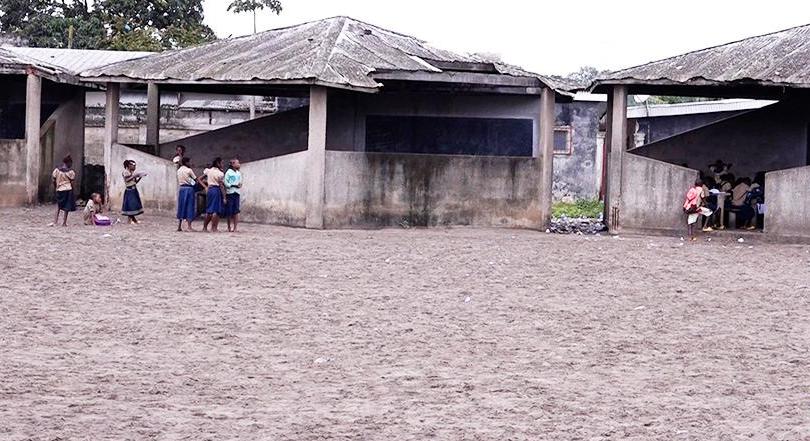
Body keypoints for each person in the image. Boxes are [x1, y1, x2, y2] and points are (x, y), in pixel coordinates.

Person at [177, 157, 205, 232]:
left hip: (182, 189)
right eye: (189, 162)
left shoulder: (179, 170)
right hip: (189, 189)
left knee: (181, 206)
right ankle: (189, 226)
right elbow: (196, 180)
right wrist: (204, 185)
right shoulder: (189, 170)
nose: (190, 164)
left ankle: (179, 226)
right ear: (186, 162)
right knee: (190, 206)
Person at [202, 157, 227, 232]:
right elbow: (221, 186)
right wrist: (224, 197)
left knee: (209, 209)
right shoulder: (220, 174)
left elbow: (200, 179)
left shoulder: (208, 171)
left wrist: (205, 187)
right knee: (215, 210)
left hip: (210, 189)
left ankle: (205, 227)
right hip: (216, 190)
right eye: (221, 163)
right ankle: (214, 228)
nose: (223, 165)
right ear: (218, 163)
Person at [52, 155, 76, 226]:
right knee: (67, 207)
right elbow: (72, 182)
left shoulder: (57, 170)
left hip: (59, 189)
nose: (71, 165)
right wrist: (73, 190)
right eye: (70, 163)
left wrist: (56, 187)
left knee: (58, 206)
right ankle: (64, 222)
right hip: (68, 189)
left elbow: (53, 179)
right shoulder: (71, 172)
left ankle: (55, 222)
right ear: (68, 163)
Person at [121, 160, 146, 224]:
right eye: (133, 165)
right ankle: (133, 220)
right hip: (129, 190)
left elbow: (135, 182)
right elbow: (127, 180)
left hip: (134, 189)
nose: (134, 167)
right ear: (129, 165)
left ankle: (130, 220)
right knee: (131, 205)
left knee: (132, 206)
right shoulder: (125, 172)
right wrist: (134, 176)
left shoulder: (132, 172)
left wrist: (140, 177)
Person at [223, 158, 243, 232]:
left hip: (237, 193)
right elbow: (226, 183)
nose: (239, 164)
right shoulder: (228, 173)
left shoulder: (238, 173)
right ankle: (229, 226)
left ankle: (235, 227)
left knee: (236, 211)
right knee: (229, 211)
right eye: (237, 163)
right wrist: (233, 185)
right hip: (230, 193)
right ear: (233, 164)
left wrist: (239, 185)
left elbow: (240, 182)